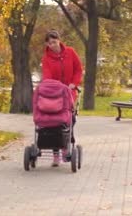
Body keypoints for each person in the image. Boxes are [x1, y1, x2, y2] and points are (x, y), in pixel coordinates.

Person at [41, 30, 83, 166]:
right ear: (46, 43)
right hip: (55, 94)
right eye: (49, 43)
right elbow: (47, 75)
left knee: (70, 119)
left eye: (54, 41)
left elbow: (78, 69)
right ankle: (55, 154)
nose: (52, 45)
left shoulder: (70, 52)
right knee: (55, 122)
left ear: (59, 40)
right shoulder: (46, 58)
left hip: (70, 92)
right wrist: (53, 86)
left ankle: (66, 147)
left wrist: (74, 83)